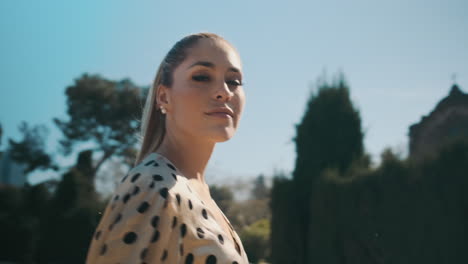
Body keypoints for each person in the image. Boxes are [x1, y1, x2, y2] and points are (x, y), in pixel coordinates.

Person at [85, 32, 249, 264]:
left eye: (234, 81)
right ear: (164, 97)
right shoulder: (152, 186)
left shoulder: (199, 195)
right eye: (202, 77)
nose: (224, 91)